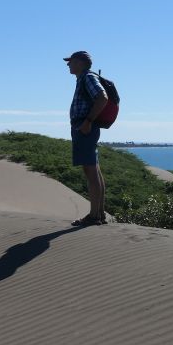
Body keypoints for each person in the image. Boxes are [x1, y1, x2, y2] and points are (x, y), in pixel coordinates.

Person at [65, 50, 108, 226]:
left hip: (85, 128)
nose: (68, 64)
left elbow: (102, 97)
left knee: (90, 171)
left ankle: (94, 216)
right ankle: (99, 213)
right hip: (85, 128)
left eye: (71, 61)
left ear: (80, 62)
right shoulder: (83, 78)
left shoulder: (88, 78)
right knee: (94, 170)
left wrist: (88, 121)